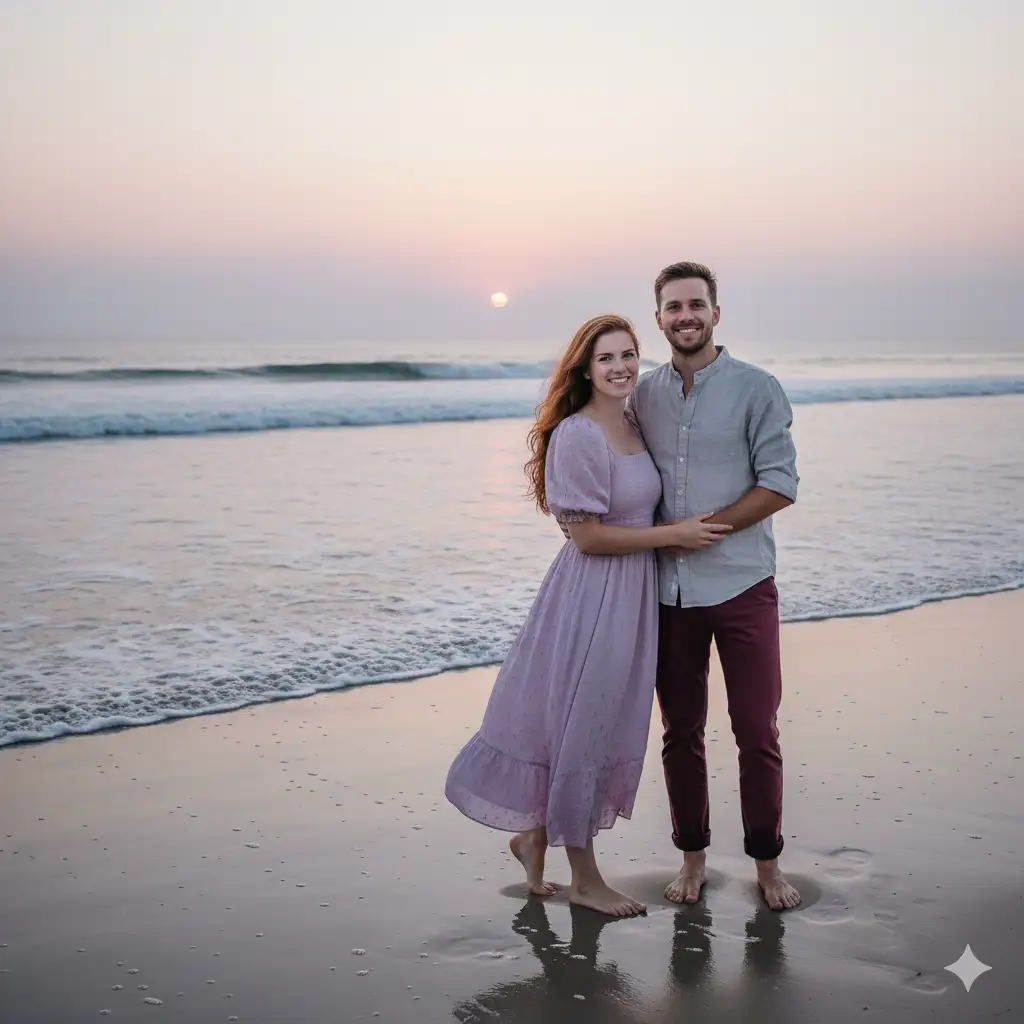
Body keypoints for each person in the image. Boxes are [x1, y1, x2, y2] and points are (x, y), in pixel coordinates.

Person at [445, 313, 732, 918]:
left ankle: (532, 838)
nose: (622, 366)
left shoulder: (631, 420)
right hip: (594, 597)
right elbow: (589, 539)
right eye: (607, 358)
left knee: (593, 723)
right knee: (584, 728)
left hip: (632, 597)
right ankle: (584, 879)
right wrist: (670, 534)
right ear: (584, 367)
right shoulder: (578, 435)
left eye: (629, 354)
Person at [629, 262, 802, 911]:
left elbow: (780, 483)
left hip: (742, 587)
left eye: (696, 304)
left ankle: (767, 866)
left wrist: (707, 529)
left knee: (756, 729)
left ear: (715, 314)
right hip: (668, 598)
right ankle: (692, 860)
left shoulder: (758, 389)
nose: (685, 316)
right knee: (680, 733)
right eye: (673, 307)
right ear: (660, 319)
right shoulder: (642, 396)